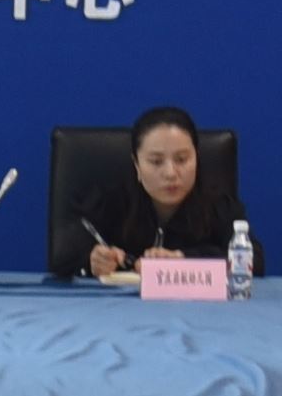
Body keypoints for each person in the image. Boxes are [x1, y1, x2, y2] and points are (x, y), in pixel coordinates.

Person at [75, 102, 249, 273]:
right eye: (156, 162)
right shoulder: (109, 202)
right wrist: (93, 261)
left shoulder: (219, 205)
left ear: (196, 158)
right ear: (137, 165)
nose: (170, 173)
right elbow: (66, 255)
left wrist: (184, 259)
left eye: (181, 159)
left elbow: (253, 260)